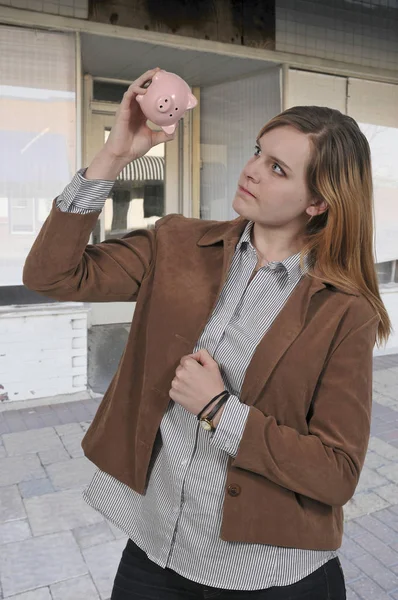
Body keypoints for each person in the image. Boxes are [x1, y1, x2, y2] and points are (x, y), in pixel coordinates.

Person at [23, 68, 391, 600]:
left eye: (278, 168)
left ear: (318, 202)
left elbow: (337, 472)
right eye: (258, 152)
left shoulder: (343, 311)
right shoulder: (177, 245)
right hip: (155, 551)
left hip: (261, 573)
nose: (252, 171)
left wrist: (219, 409)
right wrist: (112, 159)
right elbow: (51, 276)